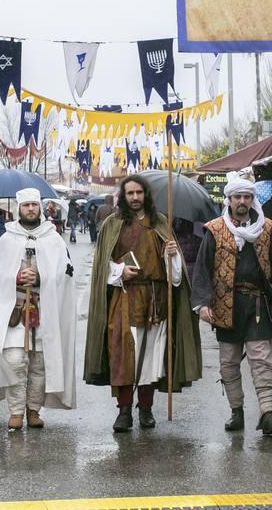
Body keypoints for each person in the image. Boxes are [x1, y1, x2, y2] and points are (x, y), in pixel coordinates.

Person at [84, 175, 202, 432]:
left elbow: (175, 277)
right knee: (123, 355)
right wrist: (119, 272)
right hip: (124, 297)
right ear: (123, 197)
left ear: (145, 195)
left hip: (155, 299)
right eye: (130, 193)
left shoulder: (160, 223)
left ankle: (145, 409)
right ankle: (124, 410)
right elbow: (102, 266)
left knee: (150, 357)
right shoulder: (111, 224)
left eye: (139, 192)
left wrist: (172, 257)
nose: (135, 197)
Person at [0, 188, 77, 431]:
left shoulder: (52, 239)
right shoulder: (7, 238)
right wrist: (16, 276)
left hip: (44, 310)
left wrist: (41, 277)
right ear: (18, 208)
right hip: (15, 310)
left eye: (34, 204)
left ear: (40, 207)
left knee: (40, 363)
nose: (31, 209)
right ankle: (16, 410)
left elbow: (65, 274)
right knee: (14, 360)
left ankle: (33, 410)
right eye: (26, 205)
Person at [192, 177, 272, 436]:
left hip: (257, 304)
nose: (242, 202)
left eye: (247, 197)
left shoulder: (266, 228)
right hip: (226, 305)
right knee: (228, 361)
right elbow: (203, 268)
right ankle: (236, 412)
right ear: (229, 200)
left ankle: (268, 415)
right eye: (237, 197)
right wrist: (202, 303)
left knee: (262, 359)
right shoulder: (214, 230)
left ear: (252, 200)